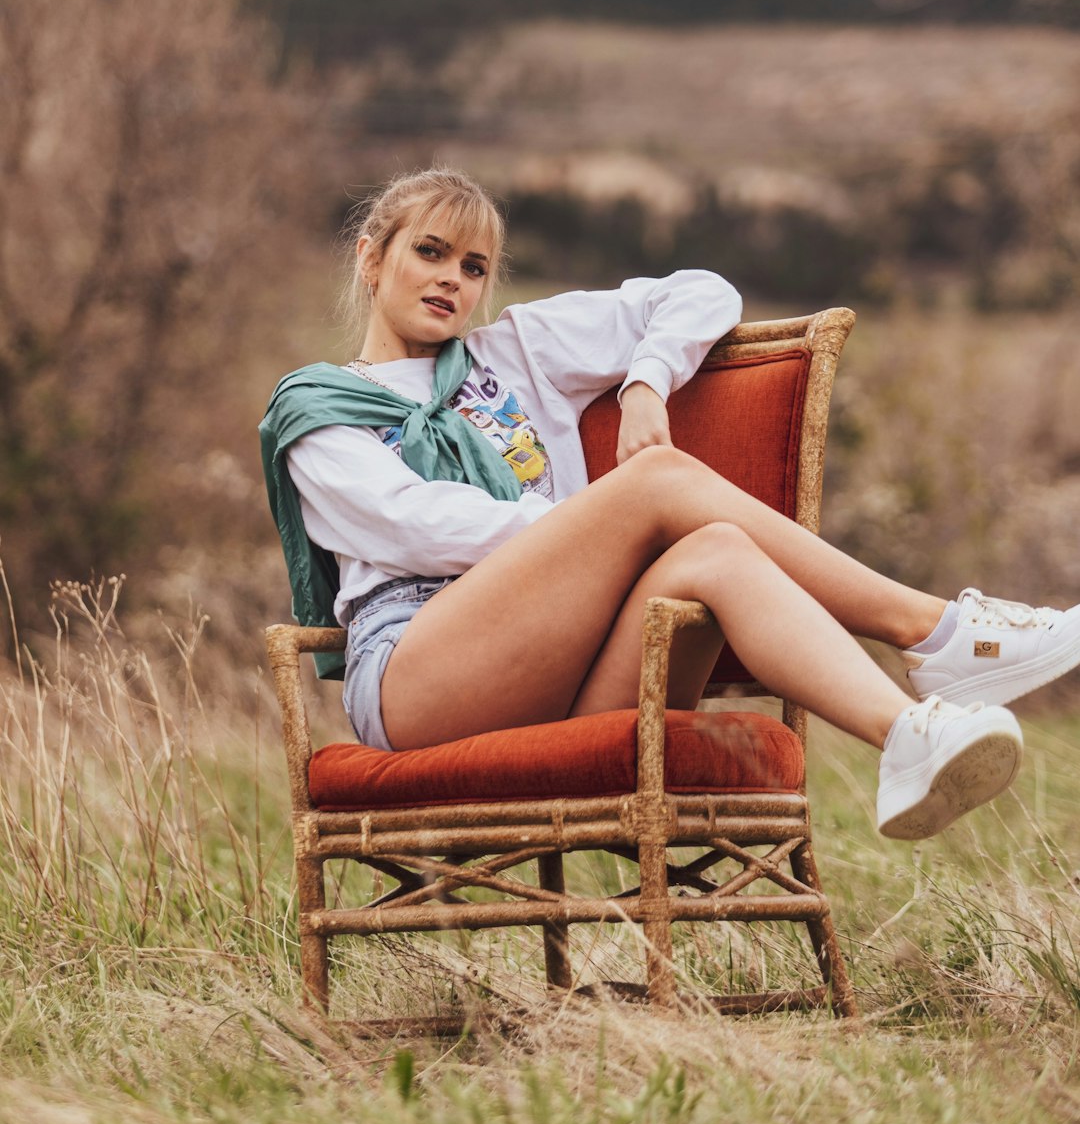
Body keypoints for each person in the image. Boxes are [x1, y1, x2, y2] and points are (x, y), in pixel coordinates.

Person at [260, 168, 1080, 841]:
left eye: (473, 266)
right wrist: (600, 527)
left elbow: (700, 291)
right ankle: (937, 633)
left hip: (566, 675)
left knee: (715, 551)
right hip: (418, 681)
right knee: (651, 486)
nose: (451, 278)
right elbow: (412, 524)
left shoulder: (512, 352)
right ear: (372, 259)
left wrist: (648, 379)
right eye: (430, 252)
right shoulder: (316, 408)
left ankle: (907, 734)